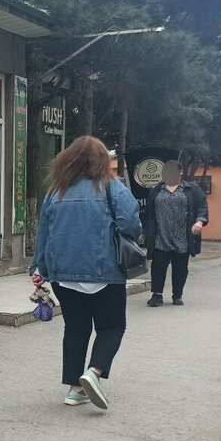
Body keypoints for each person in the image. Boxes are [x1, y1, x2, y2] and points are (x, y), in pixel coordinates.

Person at [30, 136, 142, 410]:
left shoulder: (56, 191)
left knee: (75, 328)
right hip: (104, 270)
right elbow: (130, 223)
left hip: (63, 274)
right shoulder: (110, 186)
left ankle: (74, 388)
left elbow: (44, 233)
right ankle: (94, 372)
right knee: (112, 326)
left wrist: (39, 268)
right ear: (101, 160)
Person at [143, 161, 208, 307]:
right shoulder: (157, 190)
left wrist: (200, 222)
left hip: (182, 236)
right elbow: (148, 214)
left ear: (180, 172)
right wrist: (145, 231)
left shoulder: (192, 189)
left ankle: (177, 294)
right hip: (161, 236)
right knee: (158, 266)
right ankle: (157, 295)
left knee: (180, 267)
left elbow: (202, 207)